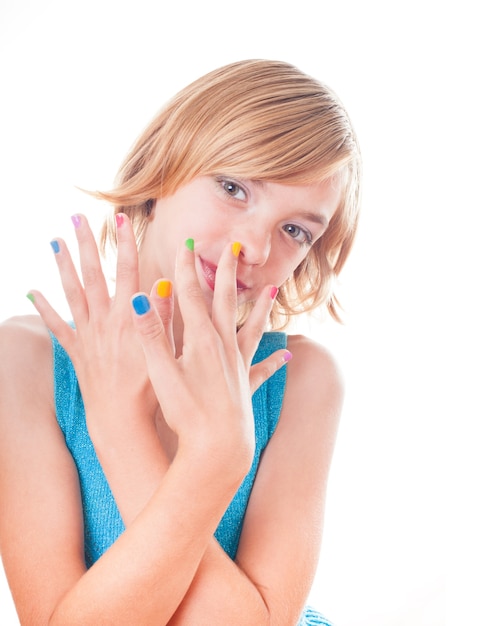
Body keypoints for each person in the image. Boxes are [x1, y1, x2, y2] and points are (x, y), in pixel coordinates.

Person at [0, 59, 361, 625]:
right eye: (234, 187)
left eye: (296, 231)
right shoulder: (22, 362)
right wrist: (207, 457)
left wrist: (136, 433)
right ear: (165, 166)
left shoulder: (301, 379)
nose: (256, 249)